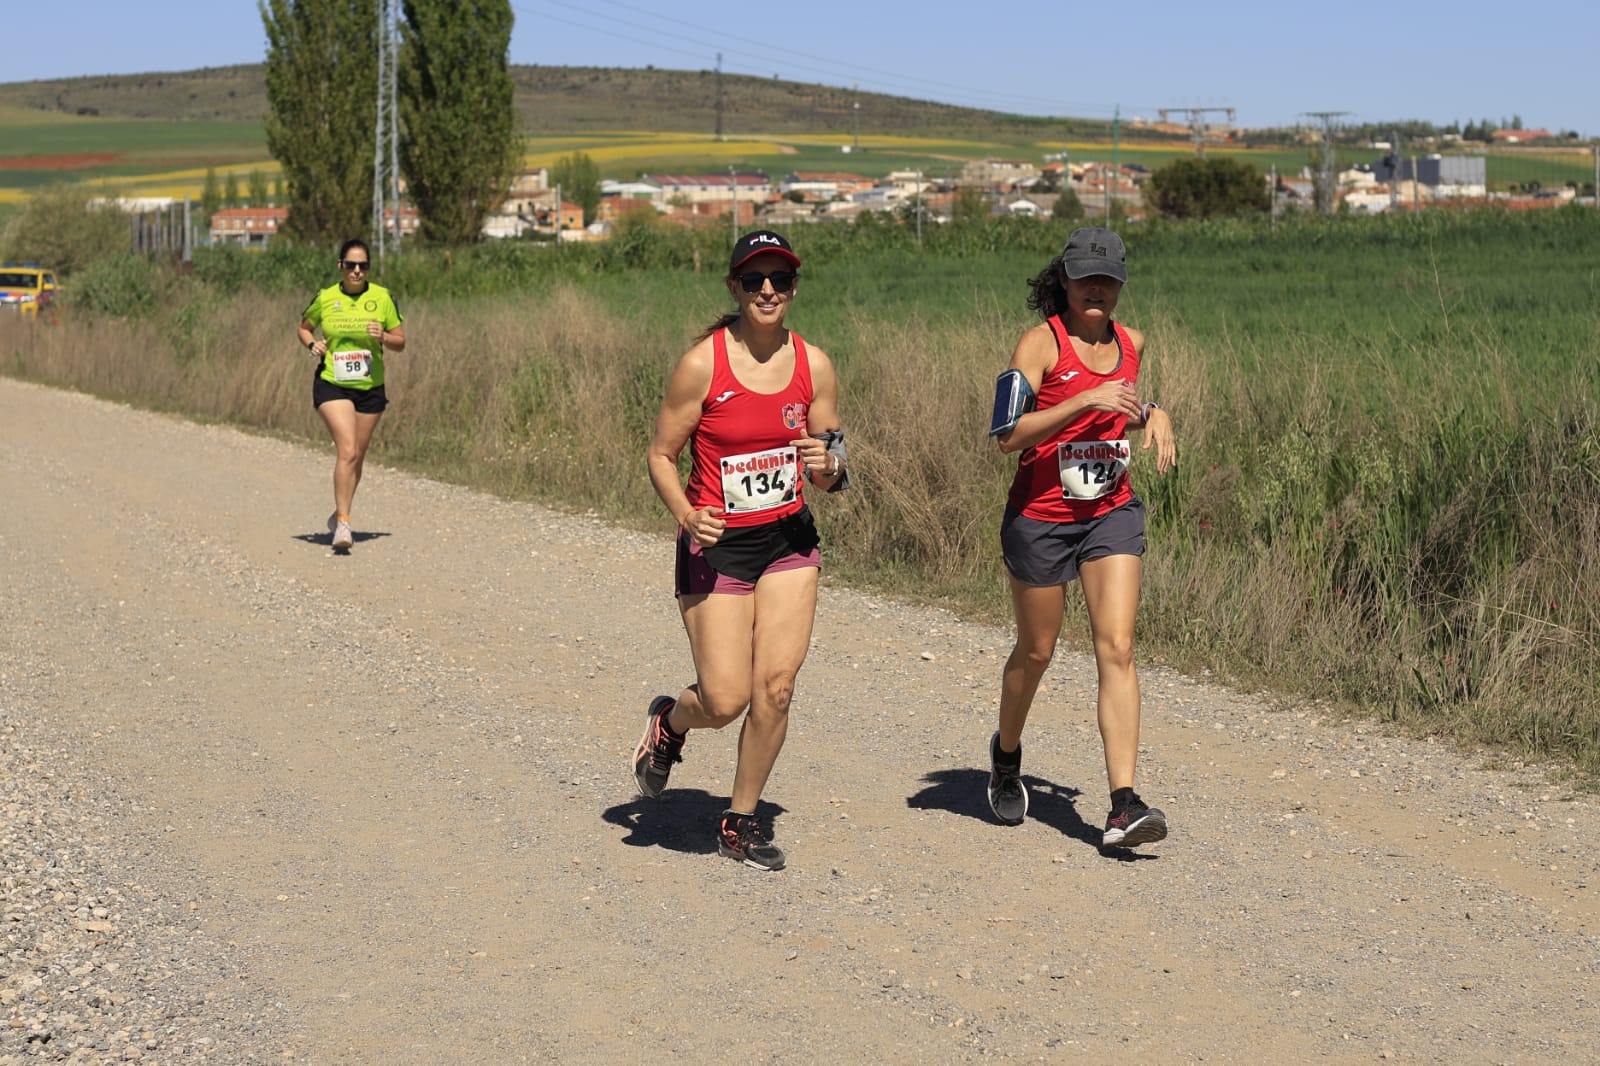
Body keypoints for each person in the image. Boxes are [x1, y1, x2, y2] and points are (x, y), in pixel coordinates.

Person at [636, 229, 848, 872]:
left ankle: (740, 818)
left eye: (780, 279)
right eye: (754, 279)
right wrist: (686, 515)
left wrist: (829, 465)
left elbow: (833, 464)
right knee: (725, 701)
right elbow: (661, 455)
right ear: (734, 287)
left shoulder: (815, 365)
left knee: (776, 688)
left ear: (793, 288)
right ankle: (671, 722)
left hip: (788, 540)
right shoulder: (703, 364)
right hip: (718, 545)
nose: (767, 290)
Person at [986, 226, 1177, 848]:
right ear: (1065, 280)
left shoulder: (1132, 343)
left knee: (1117, 647)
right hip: (1041, 516)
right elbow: (1008, 436)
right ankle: (1006, 754)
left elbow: (1121, 409)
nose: (1097, 289)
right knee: (1037, 651)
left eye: (1108, 279)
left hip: (1109, 510)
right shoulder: (1040, 344)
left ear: (1120, 284)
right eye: (1085, 278)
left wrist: (1153, 413)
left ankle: (1124, 804)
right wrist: (1082, 399)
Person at [296, 239, 405, 551]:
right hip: (333, 382)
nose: (357, 271)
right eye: (351, 265)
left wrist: (383, 336)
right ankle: (344, 524)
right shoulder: (326, 297)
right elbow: (304, 327)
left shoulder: (382, 297)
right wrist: (312, 344)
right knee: (347, 449)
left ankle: (337, 514)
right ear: (340, 266)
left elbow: (400, 342)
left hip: (370, 386)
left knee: (357, 455)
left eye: (363, 266)